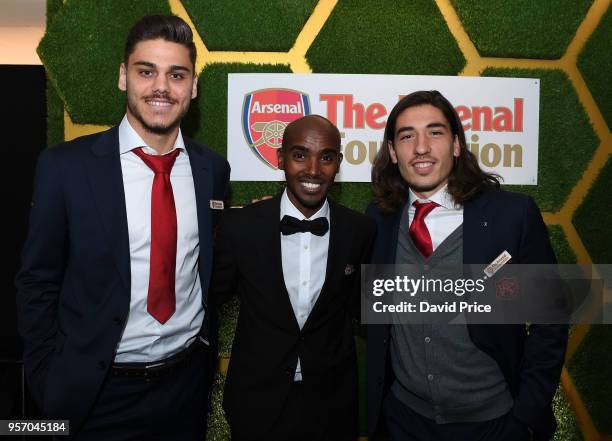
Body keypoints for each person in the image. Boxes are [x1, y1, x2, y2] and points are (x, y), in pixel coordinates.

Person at [15, 15, 229, 440]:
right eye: (146, 71)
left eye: (177, 74)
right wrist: (46, 377)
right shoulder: (65, 169)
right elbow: (37, 281)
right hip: (95, 393)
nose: (161, 87)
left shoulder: (211, 171)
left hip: (183, 387)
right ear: (122, 77)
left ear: (193, 88)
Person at [366, 90, 568, 441]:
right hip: (403, 421)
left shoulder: (513, 215)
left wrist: (525, 416)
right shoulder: (380, 219)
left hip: (496, 423)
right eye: (407, 136)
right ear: (393, 153)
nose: (422, 147)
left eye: (435, 132)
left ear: (457, 145)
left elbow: (552, 318)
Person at [211, 114, 376, 441]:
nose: (313, 170)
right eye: (300, 155)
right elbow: (207, 298)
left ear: (338, 163)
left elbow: (366, 310)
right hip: (256, 402)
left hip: (332, 403)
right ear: (281, 158)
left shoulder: (360, 230)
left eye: (326, 157)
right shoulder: (240, 227)